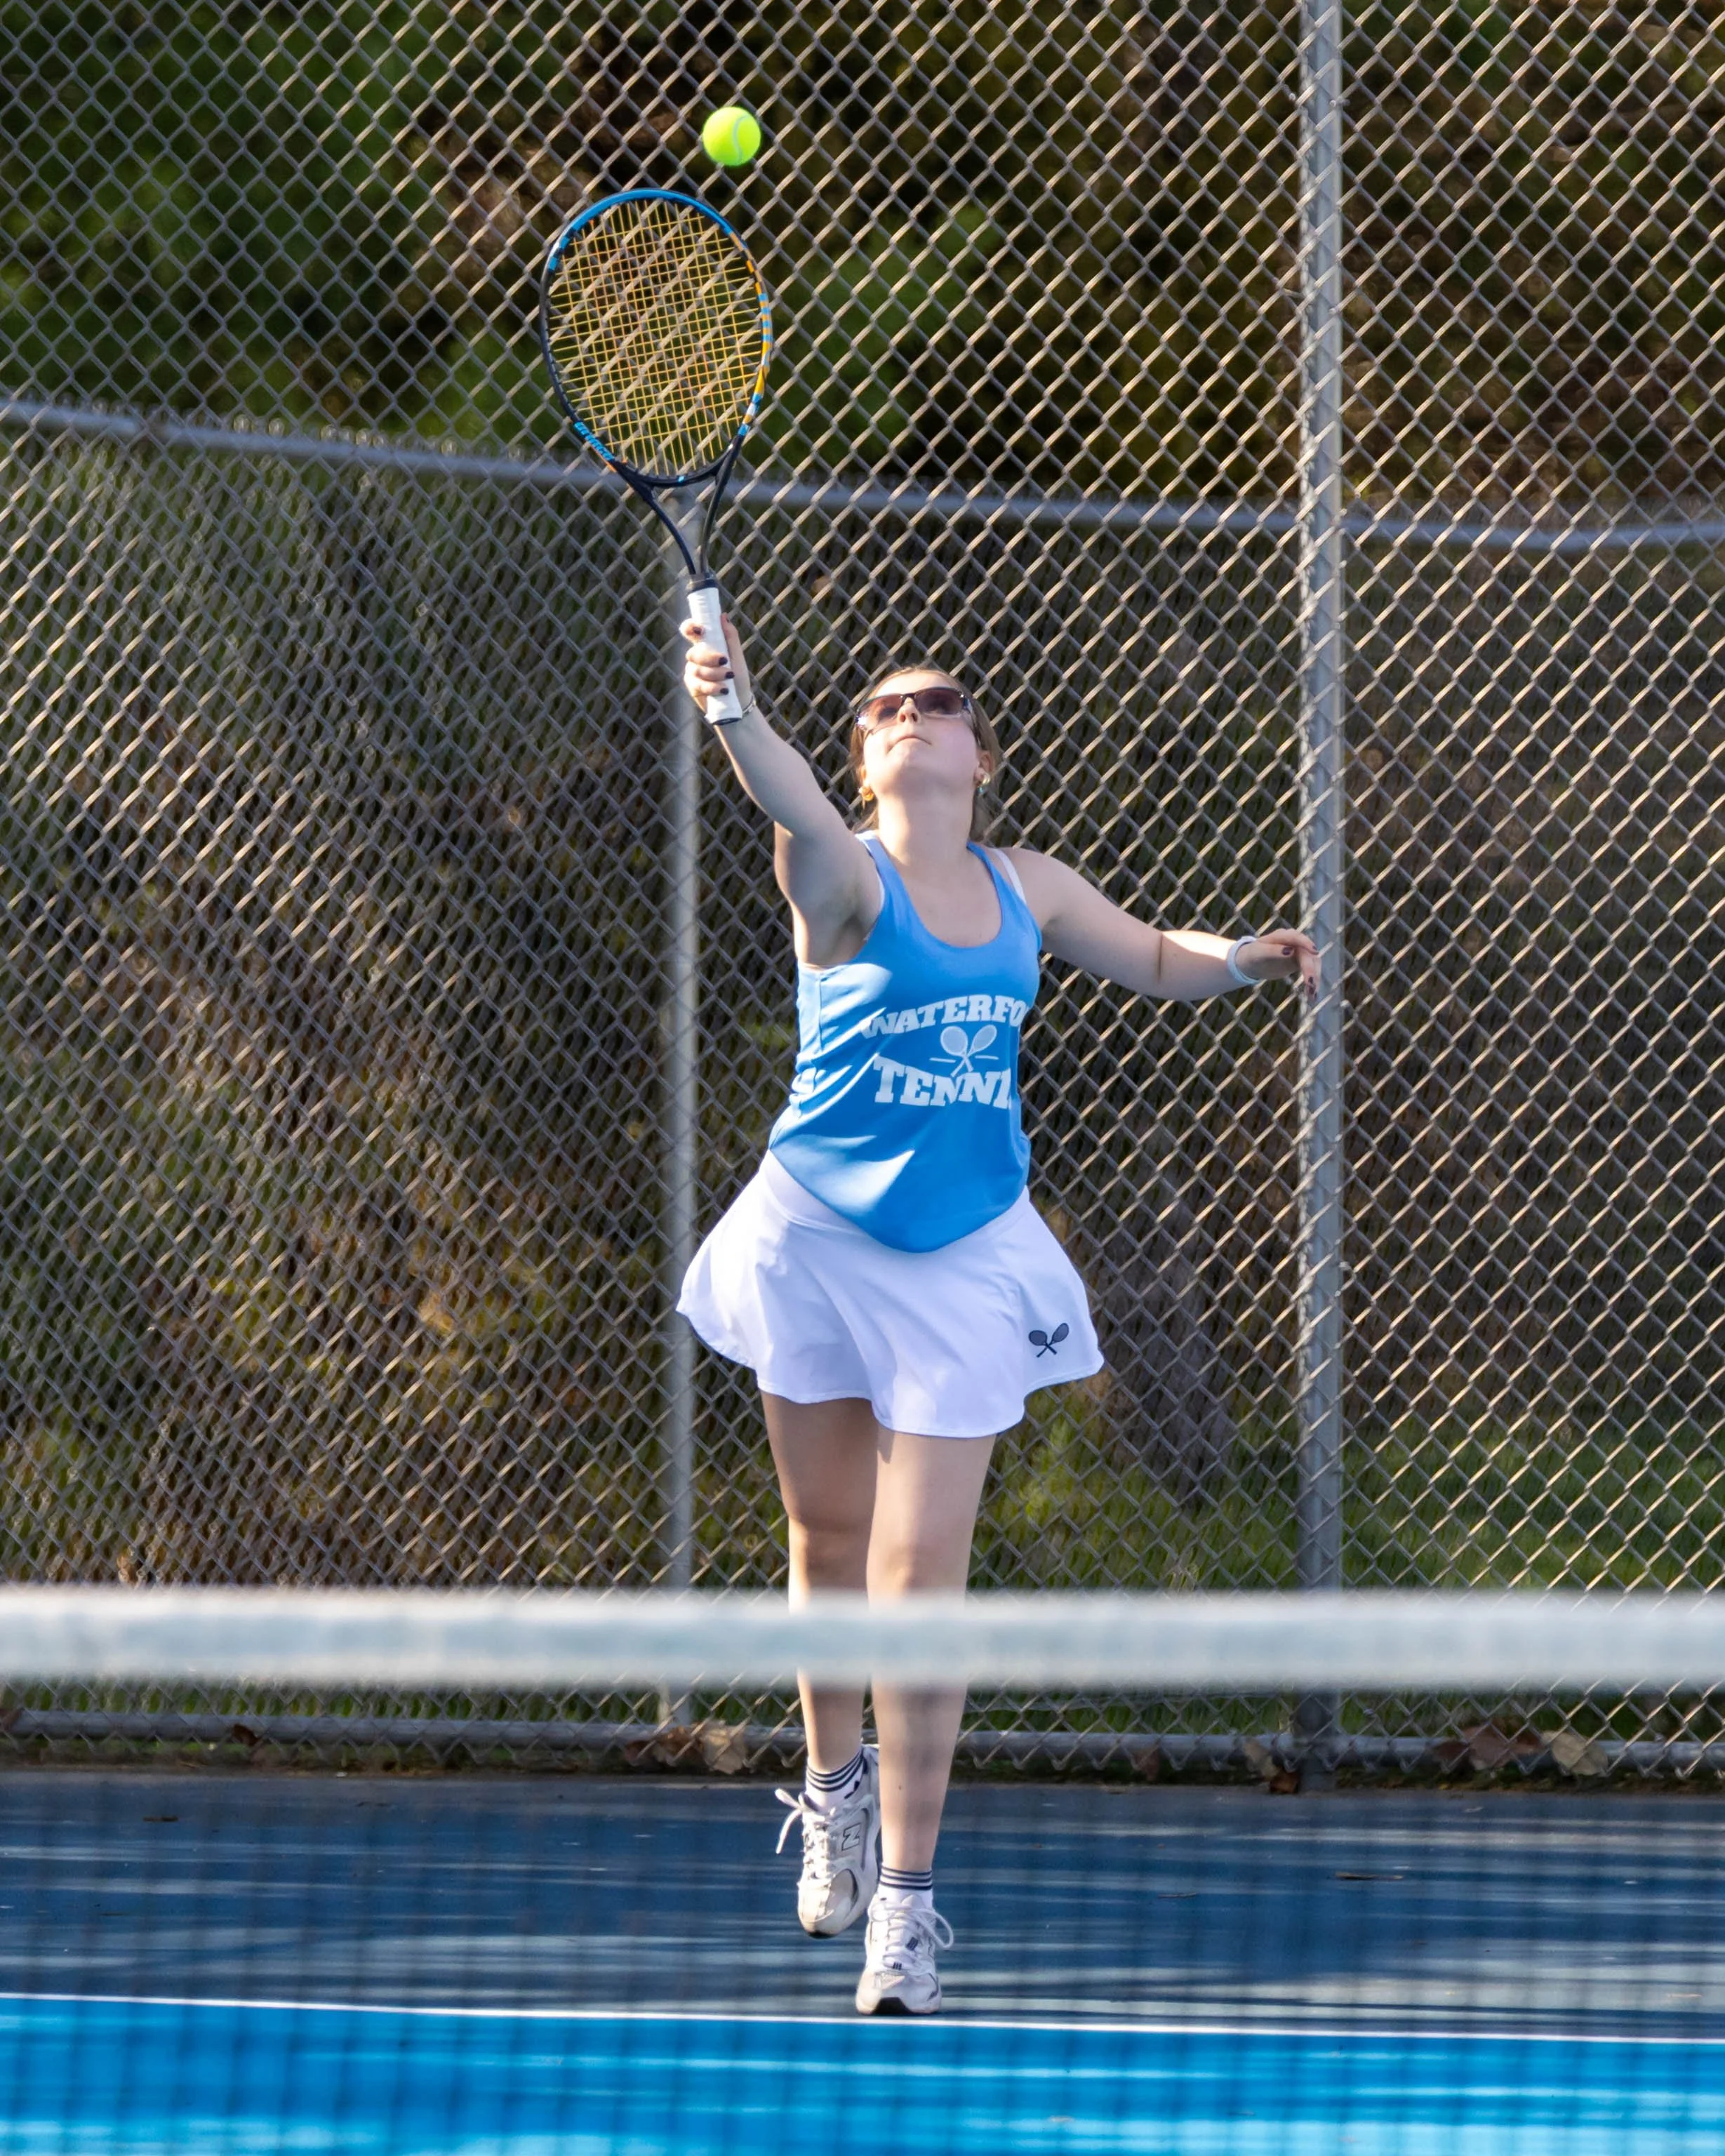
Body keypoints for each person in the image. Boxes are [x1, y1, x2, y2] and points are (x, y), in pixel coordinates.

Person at [677, 615, 1317, 2016]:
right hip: (814, 1236)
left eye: (941, 701)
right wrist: (732, 711)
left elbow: (1152, 957)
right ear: (864, 762)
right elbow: (788, 801)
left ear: (980, 756)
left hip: (962, 1257)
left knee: (918, 1581)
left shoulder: (1028, 886)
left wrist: (1243, 958)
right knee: (824, 1535)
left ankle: (905, 1906)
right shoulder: (838, 872)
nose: (911, 712)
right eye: (882, 708)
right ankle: (831, 1791)